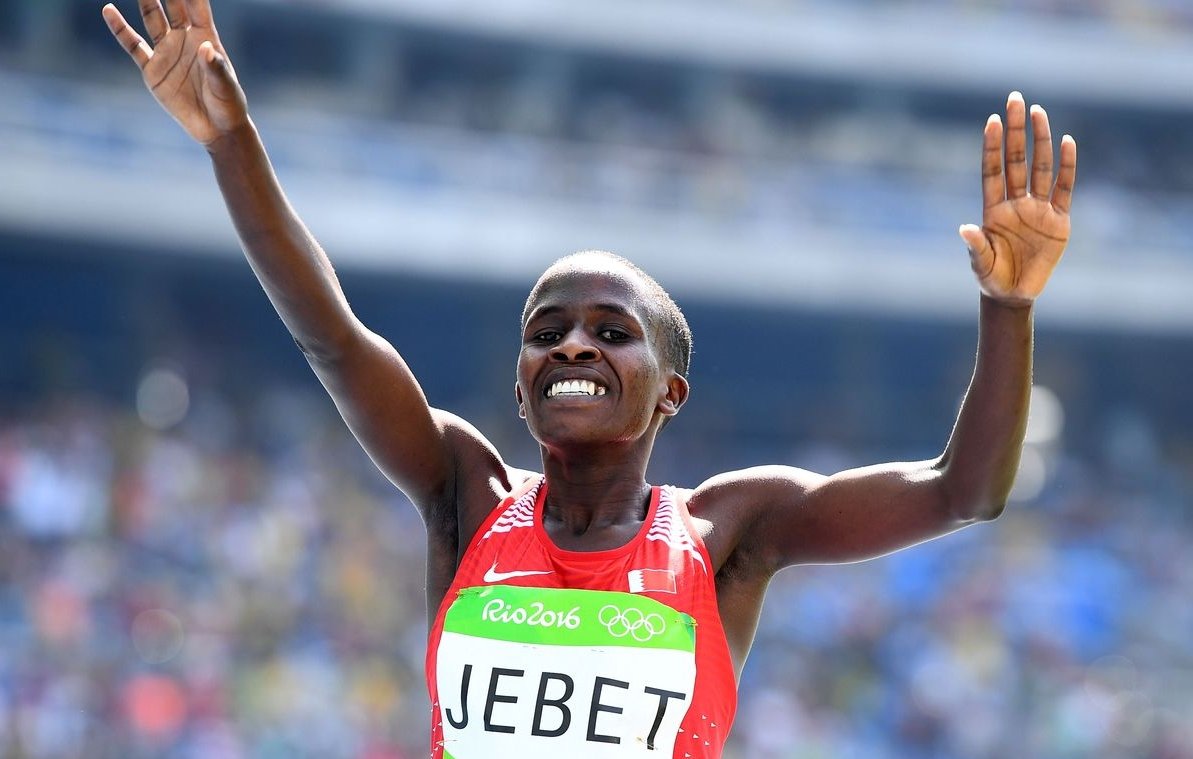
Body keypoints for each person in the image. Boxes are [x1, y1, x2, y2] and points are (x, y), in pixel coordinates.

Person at [102, 1, 1077, 756]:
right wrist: (232, 144)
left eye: (611, 332)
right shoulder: (464, 492)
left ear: (669, 392)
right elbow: (331, 339)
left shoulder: (729, 532)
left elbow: (965, 491)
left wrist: (1006, 307)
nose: (571, 346)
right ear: (520, 386)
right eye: (546, 332)